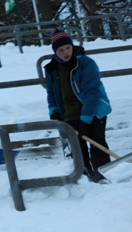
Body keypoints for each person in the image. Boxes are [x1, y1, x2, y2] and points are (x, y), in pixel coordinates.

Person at [44, 29, 112, 183]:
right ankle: (85, 179)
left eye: (68, 47)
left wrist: (86, 119)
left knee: (97, 142)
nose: (66, 52)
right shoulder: (51, 69)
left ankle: (104, 175)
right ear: (55, 52)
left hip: (94, 110)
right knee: (78, 148)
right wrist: (53, 111)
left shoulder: (85, 63)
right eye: (61, 50)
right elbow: (51, 94)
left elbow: (92, 92)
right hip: (69, 114)